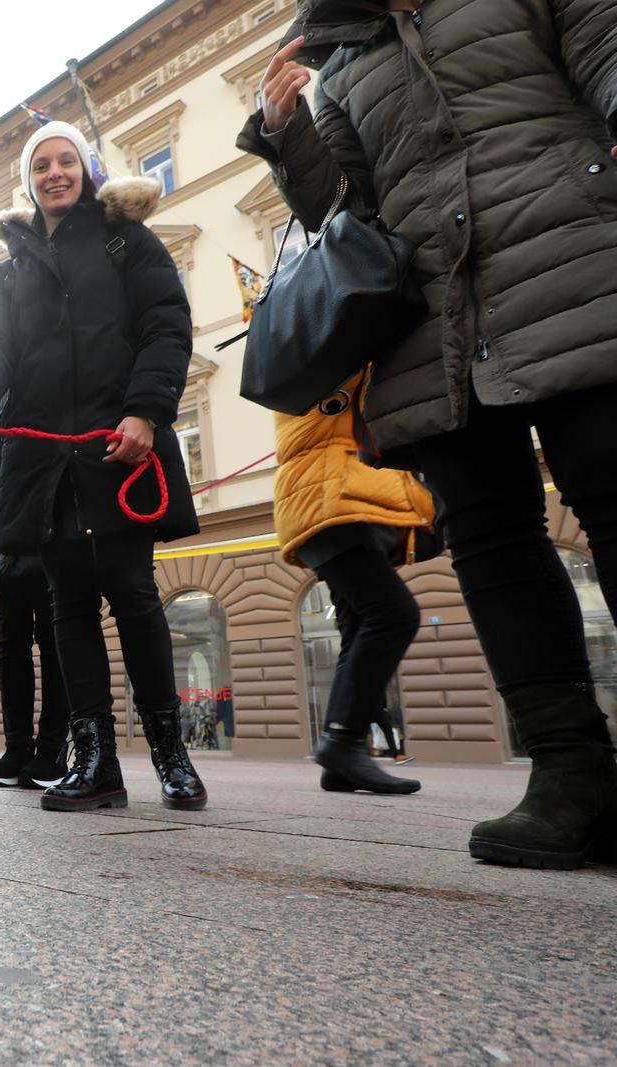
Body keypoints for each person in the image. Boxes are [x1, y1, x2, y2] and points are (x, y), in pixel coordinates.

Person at [238, 0, 617, 868]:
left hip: (571, 251)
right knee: (490, 537)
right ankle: (572, 772)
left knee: (611, 487)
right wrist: (287, 130)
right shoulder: (340, 60)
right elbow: (343, 208)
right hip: (433, 317)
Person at [0, 121, 208, 813]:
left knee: (133, 594)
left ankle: (170, 753)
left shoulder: (129, 242)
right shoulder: (6, 273)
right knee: (67, 607)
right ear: (30, 183)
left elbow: (166, 325)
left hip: (115, 446)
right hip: (43, 463)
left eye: (67, 161)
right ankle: (94, 761)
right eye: (42, 165)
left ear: (87, 171)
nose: (55, 172)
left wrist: (146, 411)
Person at [273, 369, 435, 794]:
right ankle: (342, 741)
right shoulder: (320, 347)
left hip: (352, 494)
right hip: (331, 493)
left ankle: (341, 757)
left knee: (361, 625)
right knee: (393, 614)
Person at [0, 420, 68, 788]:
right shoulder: (7, 396)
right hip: (8, 532)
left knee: (57, 643)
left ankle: (52, 750)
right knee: (11, 644)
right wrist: (19, 448)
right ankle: (18, 748)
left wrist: (14, 450)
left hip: (57, 518)